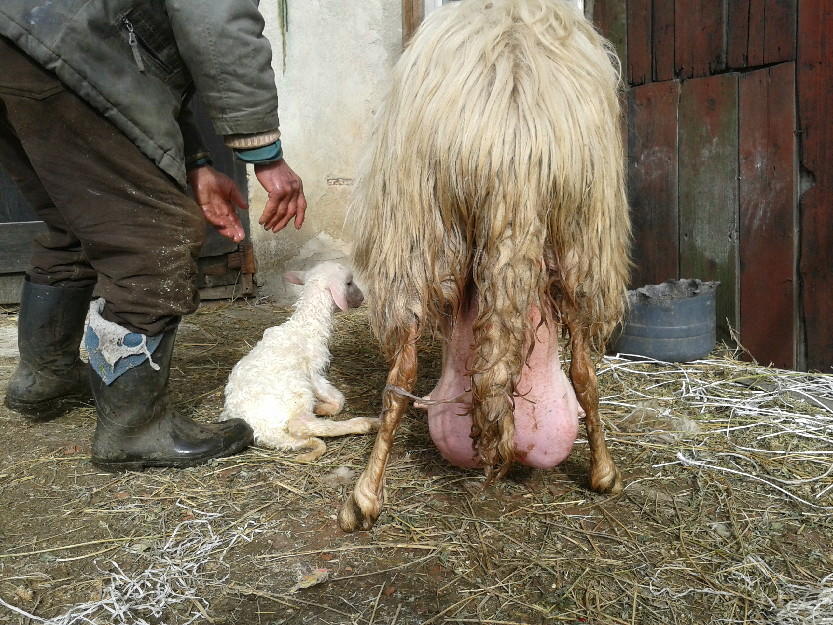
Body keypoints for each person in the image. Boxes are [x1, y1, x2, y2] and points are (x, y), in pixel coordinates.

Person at [0, 1, 307, 470]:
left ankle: (45, 377)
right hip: (64, 46)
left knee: (74, 220)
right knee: (154, 239)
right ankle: (134, 429)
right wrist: (263, 150)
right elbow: (214, 22)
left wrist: (198, 162)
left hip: (23, 36)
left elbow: (148, 62)